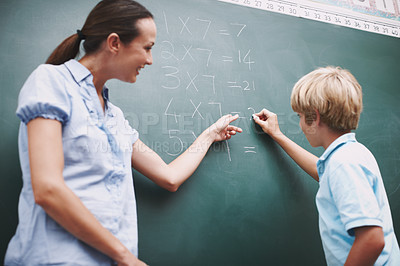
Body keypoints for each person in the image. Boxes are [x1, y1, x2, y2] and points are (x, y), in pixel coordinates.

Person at [4, 0, 242, 265]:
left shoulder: (114, 117)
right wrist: (125, 257)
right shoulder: (51, 81)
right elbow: (48, 189)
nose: (150, 60)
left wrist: (210, 135)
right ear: (115, 43)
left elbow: (169, 177)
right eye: (147, 48)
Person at [253, 66, 400, 265]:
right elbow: (321, 171)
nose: (301, 125)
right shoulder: (351, 154)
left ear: (315, 117)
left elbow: (372, 239)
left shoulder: (343, 163)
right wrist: (277, 135)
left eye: (300, 117)